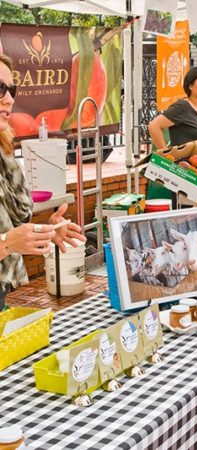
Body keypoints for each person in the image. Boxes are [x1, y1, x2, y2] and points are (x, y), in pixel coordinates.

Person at [0, 54, 86, 311]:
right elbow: (8, 238)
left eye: (11, 89)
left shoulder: (4, 153)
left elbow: (12, 229)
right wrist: (7, 244)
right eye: (0, 89)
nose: (9, 98)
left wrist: (45, 232)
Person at [148, 66, 197, 148]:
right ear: (190, 86)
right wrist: (165, 153)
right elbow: (154, 126)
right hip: (184, 159)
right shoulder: (181, 107)